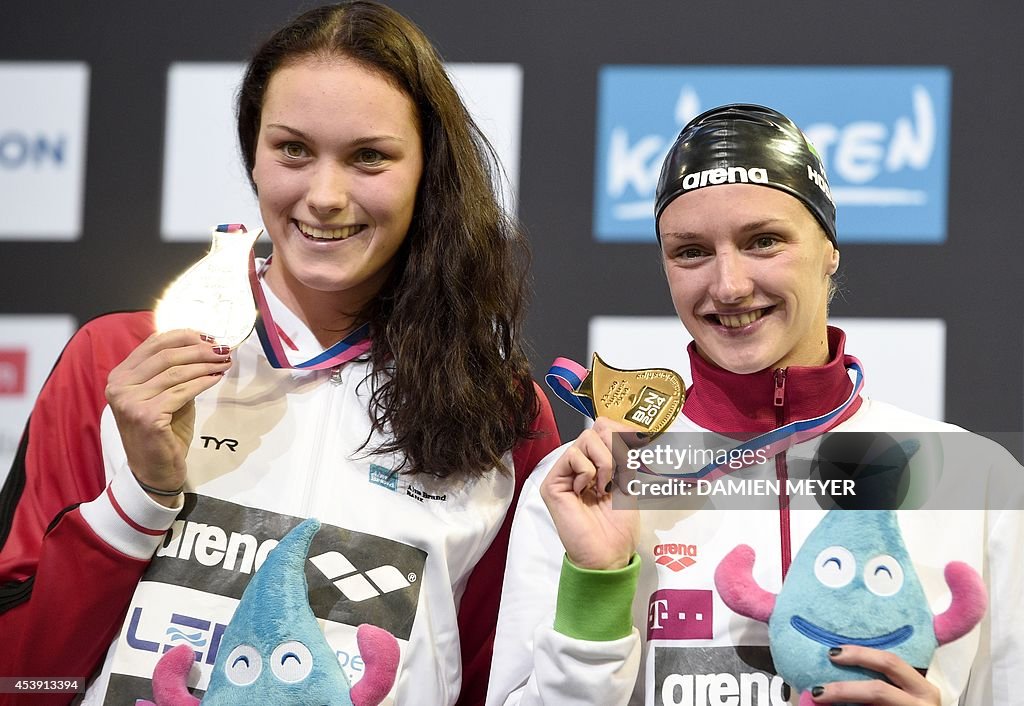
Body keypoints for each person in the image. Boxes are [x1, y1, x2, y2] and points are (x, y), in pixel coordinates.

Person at [0, 3, 560, 704]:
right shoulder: (120, 360)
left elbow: (488, 685)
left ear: (428, 172)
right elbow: (19, 679)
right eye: (293, 149)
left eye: (369, 157)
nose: (324, 196)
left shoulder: (499, 410)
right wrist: (135, 504)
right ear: (254, 156)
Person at [486, 104, 1023, 705]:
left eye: (764, 241)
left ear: (829, 248)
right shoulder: (585, 488)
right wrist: (599, 587)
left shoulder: (978, 483)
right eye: (690, 251)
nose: (729, 285)